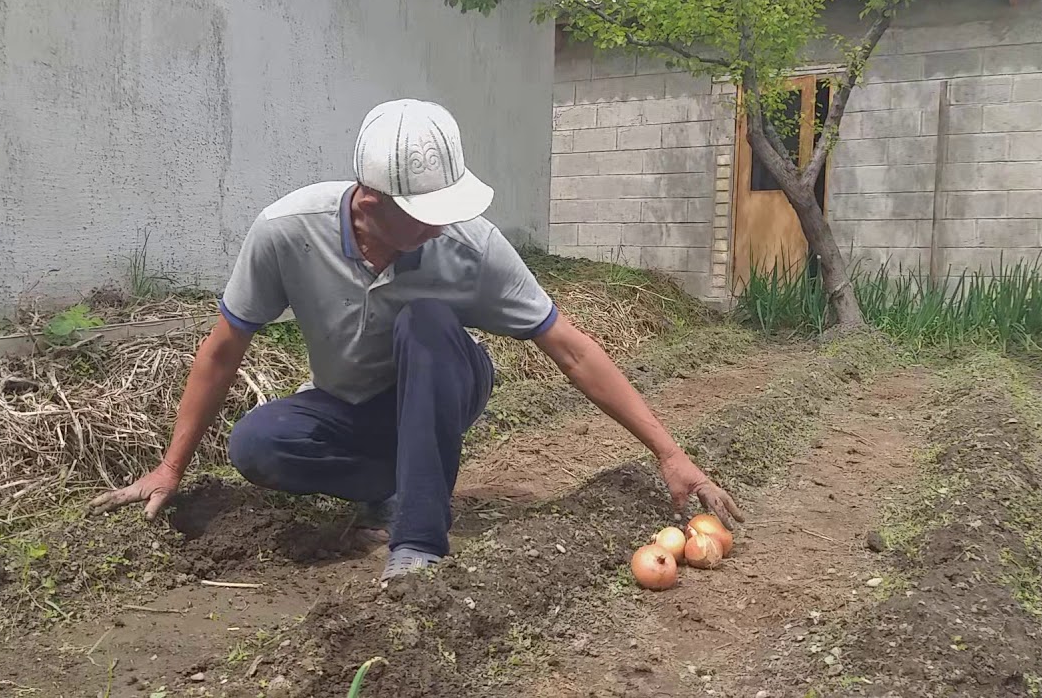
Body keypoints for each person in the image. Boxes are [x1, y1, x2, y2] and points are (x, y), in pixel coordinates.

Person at [89, 98, 743, 579]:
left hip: (446, 377)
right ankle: (400, 481)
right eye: (424, 215)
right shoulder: (287, 232)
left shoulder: (471, 246)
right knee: (257, 445)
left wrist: (668, 452)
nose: (442, 226)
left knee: (425, 320)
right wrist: (171, 468)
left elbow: (570, 348)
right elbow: (223, 349)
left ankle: (418, 539)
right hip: (349, 401)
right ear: (370, 203)